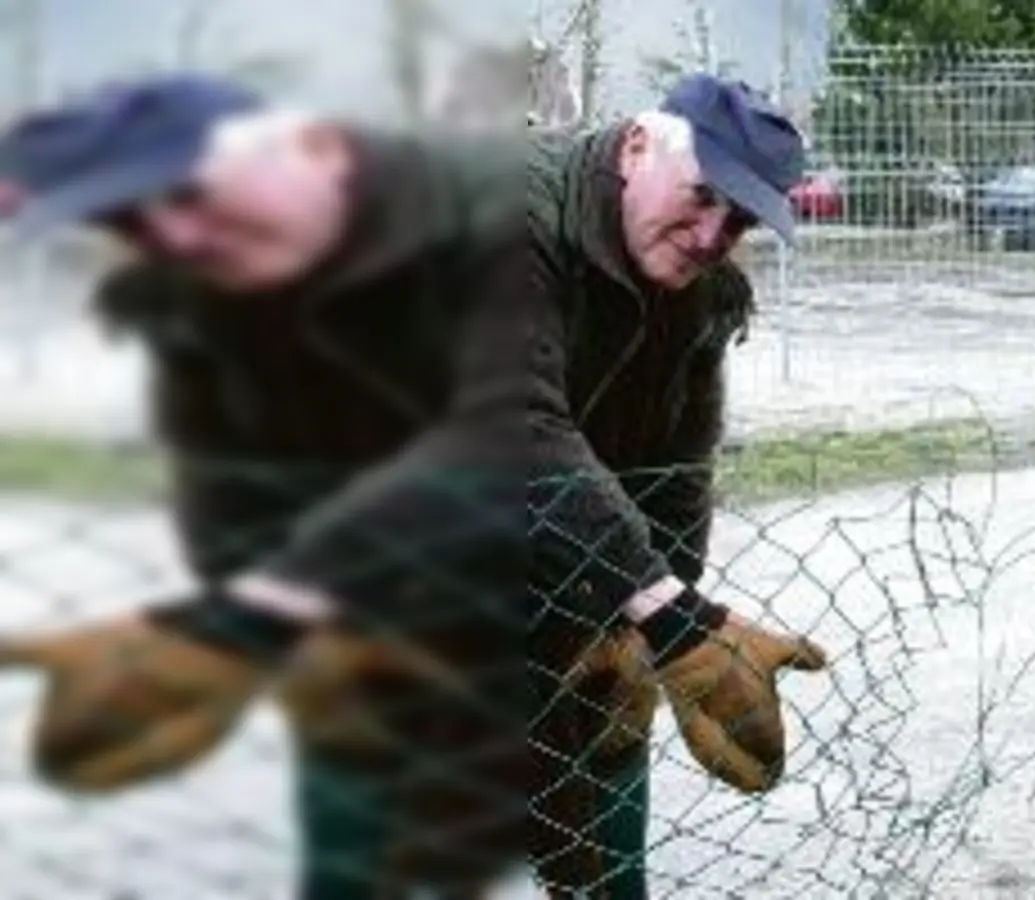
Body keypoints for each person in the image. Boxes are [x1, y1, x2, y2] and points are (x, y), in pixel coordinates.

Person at [0, 71, 828, 897]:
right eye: (701, 197)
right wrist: (679, 621)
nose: (713, 233)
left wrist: (656, 624)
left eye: (742, 218)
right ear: (638, 147)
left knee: (603, 733)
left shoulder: (702, 286)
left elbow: (676, 463)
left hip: (544, 528)